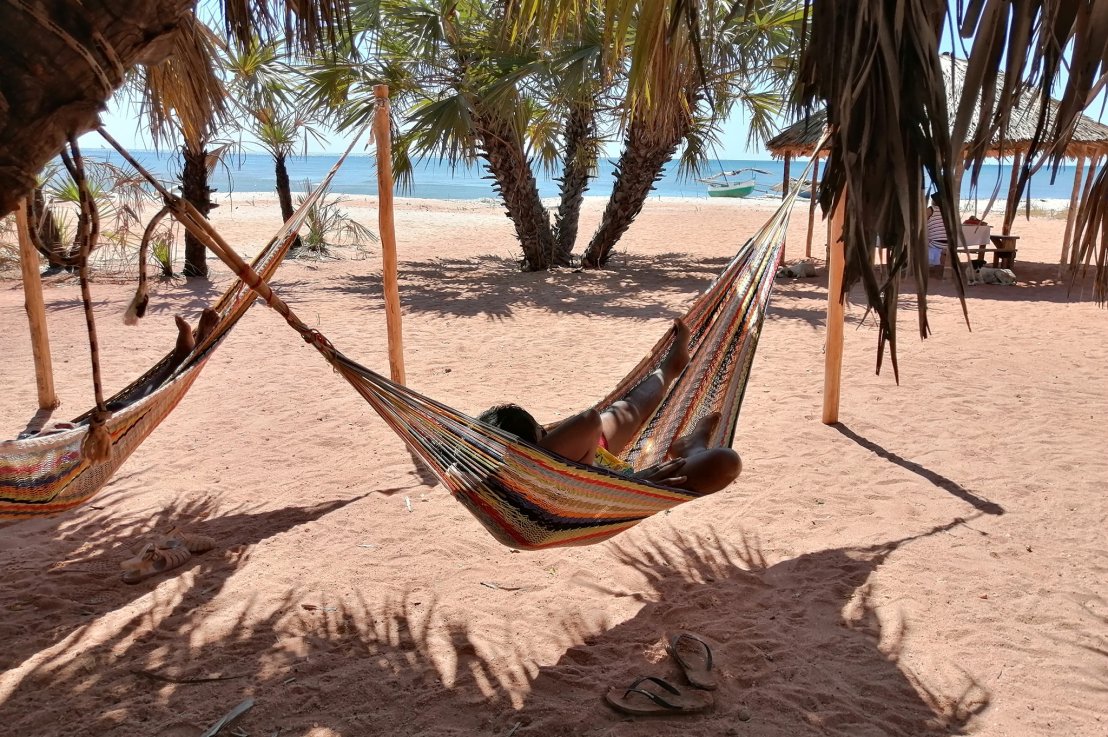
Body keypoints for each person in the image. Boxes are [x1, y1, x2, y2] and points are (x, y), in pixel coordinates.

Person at [477, 319, 741, 494]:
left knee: (635, 405)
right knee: (724, 462)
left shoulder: (491, 472)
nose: (549, 433)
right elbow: (589, 419)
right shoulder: (536, 467)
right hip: (615, 485)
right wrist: (634, 484)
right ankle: (690, 447)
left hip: (594, 459)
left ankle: (669, 369)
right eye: (543, 433)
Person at [925, 192, 948, 271]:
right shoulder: (948, 211)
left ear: (934, 201)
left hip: (936, 243)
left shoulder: (931, 209)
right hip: (948, 244)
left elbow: (920, 222)